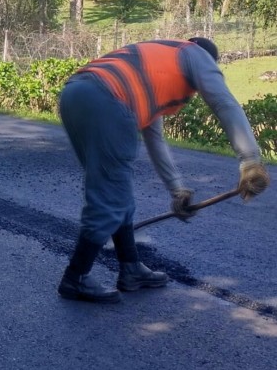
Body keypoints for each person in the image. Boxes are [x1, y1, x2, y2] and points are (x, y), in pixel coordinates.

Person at [57, 37, 270, 303]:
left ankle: (131, 269)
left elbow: (154, 138)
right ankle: (75, 277)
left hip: (76, 94)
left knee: (115, 188)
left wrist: (177, 189)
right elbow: (224, 103)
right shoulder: (197, 54)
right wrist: (250, 160)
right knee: (108, 196)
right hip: (107, 99)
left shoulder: (157, 64)